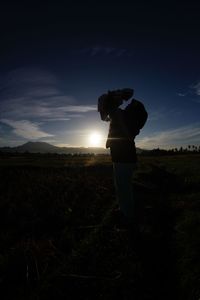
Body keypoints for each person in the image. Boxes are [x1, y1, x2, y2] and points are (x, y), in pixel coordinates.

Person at [98, 88, 138, 229]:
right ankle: (124, 212)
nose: (101, 112)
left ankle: (129, 217)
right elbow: (104, 118)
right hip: (121, 156)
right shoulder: (116, 113)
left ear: (106, 105)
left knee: (123, 188)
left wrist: (115, 94)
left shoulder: (116, 113)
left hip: (124, 157)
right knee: (121, 187)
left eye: (101, 108)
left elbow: (127, 135)